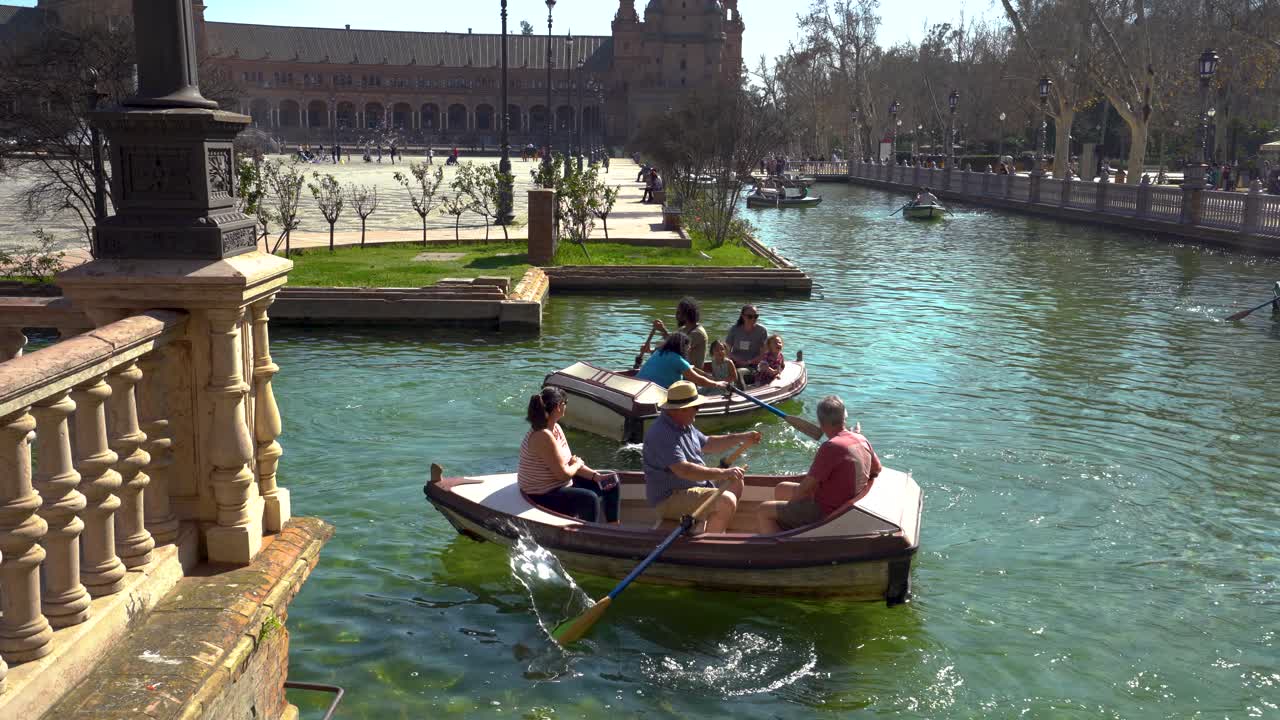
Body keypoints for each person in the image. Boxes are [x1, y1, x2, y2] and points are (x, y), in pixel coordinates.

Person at [642, 381, 759, 533]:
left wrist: (742, 437)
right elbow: (684, 470)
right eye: (696, 407)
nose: (698, 410)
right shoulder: (661, 433)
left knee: (736, 481)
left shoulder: (684, 424)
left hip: (694, 487)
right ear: (681, 410)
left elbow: (709, 443)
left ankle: (715, 525)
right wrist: (724, 472)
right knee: (726, 500)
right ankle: (710, 543)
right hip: (670, 498)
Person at [757, 396, 881, 534]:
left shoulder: (831, 447)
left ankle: (781, 546)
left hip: (826, 511)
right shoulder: (861, 438)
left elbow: (806, 488)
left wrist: (790, 507)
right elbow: (877, 468)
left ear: (821, 423)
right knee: (781, 488)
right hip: (842, 502)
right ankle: (790, 529)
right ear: (843, 419)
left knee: (764, 510)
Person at [518, 387, 621, 524]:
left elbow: (568, 462)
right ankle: (591, 536)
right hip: (542, 494)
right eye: (565, 403)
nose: (566, 406)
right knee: (589, 499)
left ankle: (613, 527)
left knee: (610, 482)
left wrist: (596, 476)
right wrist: (577, 464)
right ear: (559, 406)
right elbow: (564, 474)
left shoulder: (555, 428)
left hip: (561, 483)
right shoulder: (543, 436)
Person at [636, 332, 728, 392]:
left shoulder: (658, 352)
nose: (689, 349)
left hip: (637, 387)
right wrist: (717, 383)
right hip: (652, 393)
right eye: (688, 346)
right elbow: (699, 380)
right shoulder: (678, 360)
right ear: (682, 346)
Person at [652, 297, 708, 369]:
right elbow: (671, 341)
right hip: (680, 369)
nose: (676, 316)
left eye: (678, 312)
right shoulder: (683, 329)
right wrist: (651, 349)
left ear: (686, 314)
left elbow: (676, 348)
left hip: (691, 373)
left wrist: (654, 350)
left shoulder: (698, 333)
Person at [725, 305, 768, 382]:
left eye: (755, 316)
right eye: (750, 316)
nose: (753, 319)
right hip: (735, 362)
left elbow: (763, 354)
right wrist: (736, 360)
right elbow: (726, 350)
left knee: (739, 372)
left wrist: (748, 362)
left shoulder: (762, 331)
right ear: (743, 316)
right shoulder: (734, 329)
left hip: (753, 366)